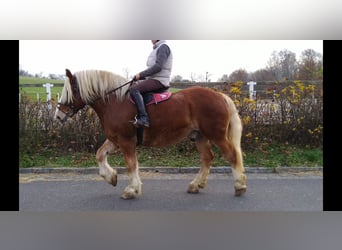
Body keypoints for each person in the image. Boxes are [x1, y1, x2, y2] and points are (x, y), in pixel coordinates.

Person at [129, 40, 173, 128]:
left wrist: (141, 74)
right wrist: (140, 77)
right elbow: (152, 70)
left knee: (134, 89)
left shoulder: (163, 47)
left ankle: (144, 118)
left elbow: (158, 67)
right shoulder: (156, 49)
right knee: (132, 86)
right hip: (154, 78)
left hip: (160, 80)